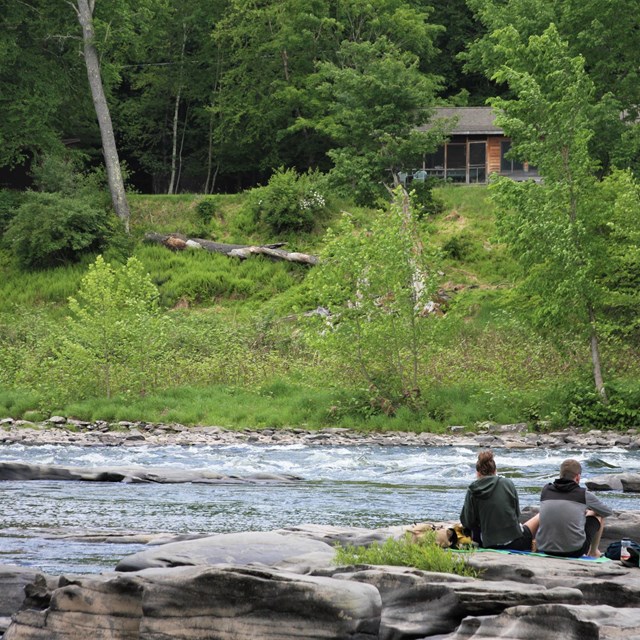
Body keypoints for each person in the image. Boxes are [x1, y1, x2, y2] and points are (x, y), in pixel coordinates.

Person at [460, 450, 539, 550]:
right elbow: (517, 515)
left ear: (478, 473)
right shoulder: (508, 483)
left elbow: (467, 522)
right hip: (516, 542)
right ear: (495, 471)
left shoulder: (473, 490)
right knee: (540, 515)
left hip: (488, 543)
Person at [536, 458, 613, 558]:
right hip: (574, 551)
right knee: (598, 515)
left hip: (544, 549)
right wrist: (589, 513)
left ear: (560, 475)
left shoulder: (546, 490)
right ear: (578, 477)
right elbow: (607, 512)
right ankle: (594, 551)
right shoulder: (584, 494)